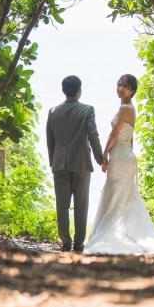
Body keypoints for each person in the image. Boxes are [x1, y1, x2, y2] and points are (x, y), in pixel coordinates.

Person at [83, 74, 154, 256]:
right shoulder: (128, 108)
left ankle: (116, 236)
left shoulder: (126, 108)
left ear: (132, 90)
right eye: (118, 85)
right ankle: (122, 233)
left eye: (124, 86)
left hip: (119, 156)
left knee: (117, 194)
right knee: (120, 195)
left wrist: (103, 155)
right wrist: (128, 153)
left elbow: (114, 134)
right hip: (124, 154)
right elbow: (131, 136)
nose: (120, 89)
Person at [46, 75, 104, 253]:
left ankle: (65, 242)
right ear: (79, 91)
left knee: (62, 205)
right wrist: (100, 158)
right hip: (81, 163)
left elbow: (50, 140)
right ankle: (79, 243)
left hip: (60, 163)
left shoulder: (53, 111)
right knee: (81, 204)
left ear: (63, 91)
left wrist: (53, 161)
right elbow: (93, 135)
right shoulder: (87, 110)